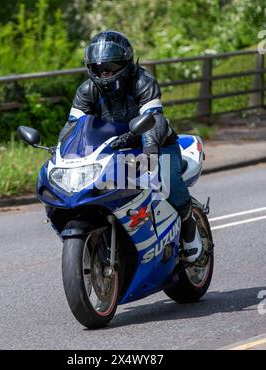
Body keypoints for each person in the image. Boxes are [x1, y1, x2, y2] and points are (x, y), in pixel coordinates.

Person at [58, 30, 202, 263]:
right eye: (99, 67)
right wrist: (61, 152)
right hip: (112, 150)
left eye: (111, 66)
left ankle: (188, 226)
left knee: (165, 180)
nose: (104, 72)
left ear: (125, 63)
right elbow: (73, 126)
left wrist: (150, 150)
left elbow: (153, 119)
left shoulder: (143, 82)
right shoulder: (87, 90)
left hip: (156, 146)